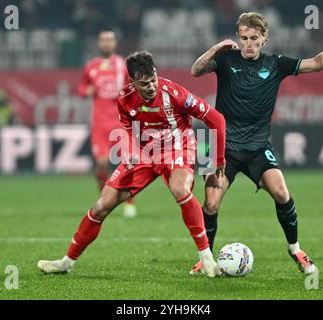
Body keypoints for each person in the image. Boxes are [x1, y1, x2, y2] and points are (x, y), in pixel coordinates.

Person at [189, 12, 323, 275]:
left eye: (254, 38)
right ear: (238, 38)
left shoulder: (277, 64)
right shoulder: (224, 60)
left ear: (264, 38)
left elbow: (317, 63)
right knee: (210, 204)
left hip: (257, 147)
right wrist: (216, 48)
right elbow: (196, 70)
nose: (248, 43)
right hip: (221, 146)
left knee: (281, 193)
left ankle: (296, 249)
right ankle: (206, 258)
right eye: (243, 38)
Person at [37, 50, 226, 277]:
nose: (151, 87)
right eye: (144, 83)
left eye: (153, 80)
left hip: (178, 148)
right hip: (145, 155)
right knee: (100, 207)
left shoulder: (174, 93)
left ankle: (206, 258)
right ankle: (65, 263)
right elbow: (127, 128)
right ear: (132, 82)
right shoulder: (125, 98)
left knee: (180, 189)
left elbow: (216, 118)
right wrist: (131, 152)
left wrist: (218, 160)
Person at [78, 27, 137, 218]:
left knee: (127, 162)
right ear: (98, 43)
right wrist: (88, 91)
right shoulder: (91, 66)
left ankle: (129, 202)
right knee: (102, 164)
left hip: (120, 121)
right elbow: (82, 89)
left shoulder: (123, 64)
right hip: (100, 122)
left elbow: (133, 88)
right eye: (102, 40)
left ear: (114, 43)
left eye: (109, 40)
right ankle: (106, 200)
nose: (106, 43)